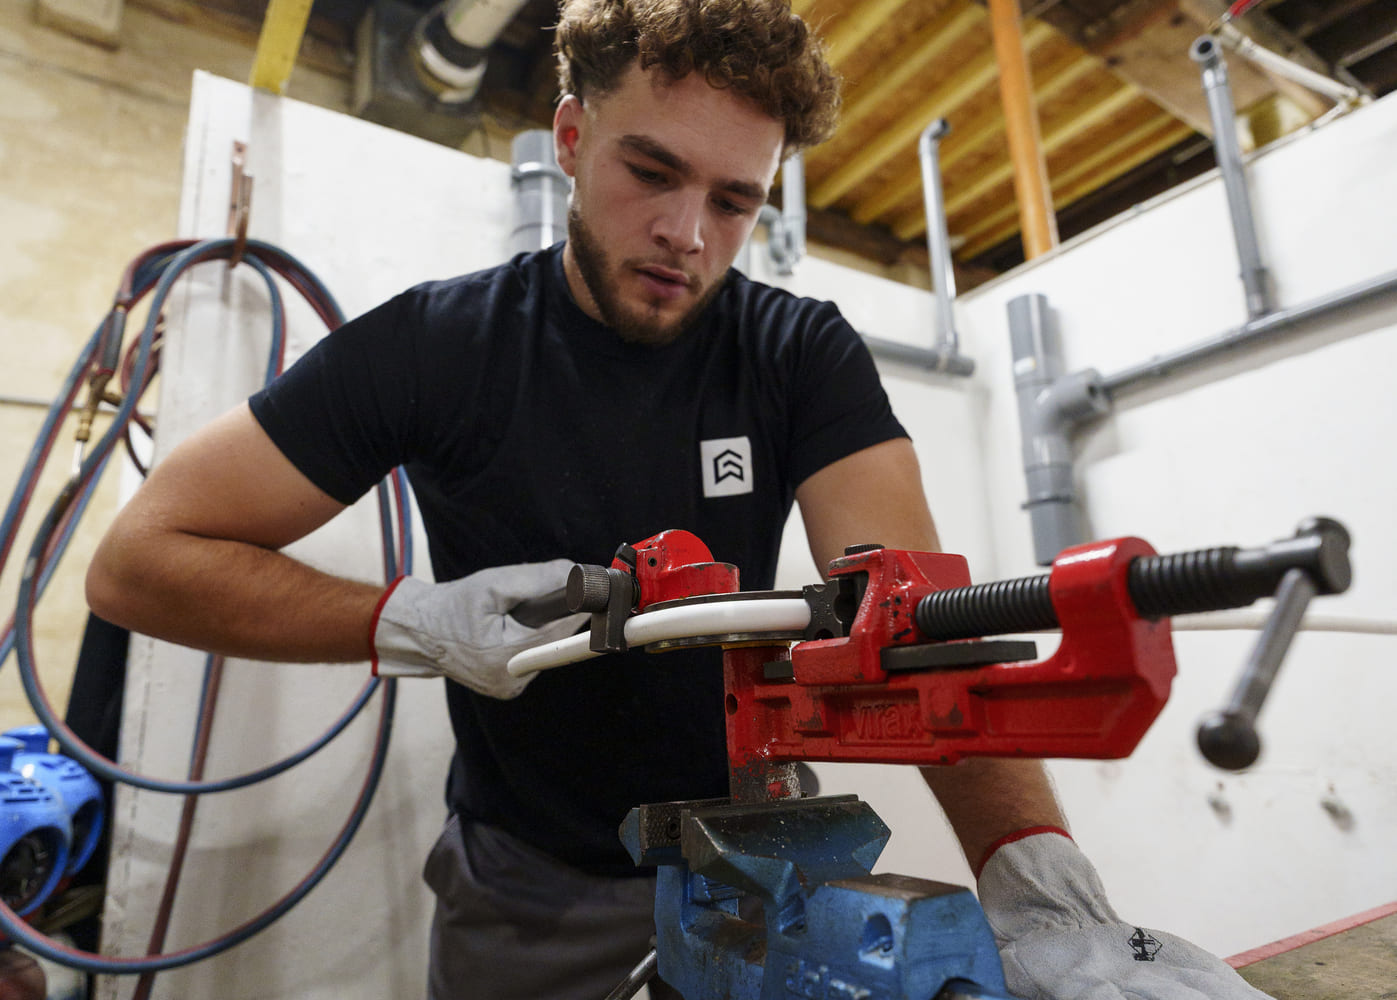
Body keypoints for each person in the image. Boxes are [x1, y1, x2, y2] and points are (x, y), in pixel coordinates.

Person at [86, 1, 1272, 998]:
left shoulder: (798, 355)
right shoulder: (433, 349)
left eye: (732, 200)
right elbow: (139, 558)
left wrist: (1037, 884)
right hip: (525, 899)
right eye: (649, 172)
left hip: (767, 875)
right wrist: (404, 619)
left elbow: (911, 638)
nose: (683, 235)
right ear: (568, 134)